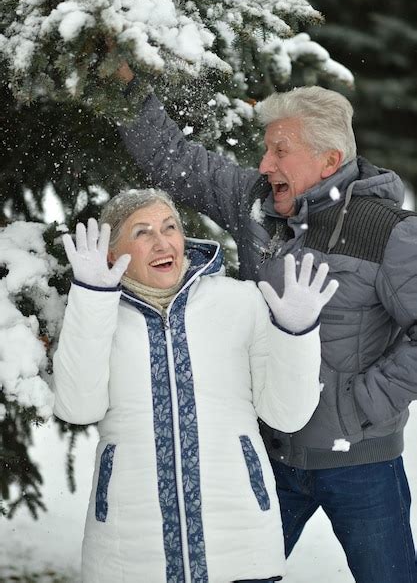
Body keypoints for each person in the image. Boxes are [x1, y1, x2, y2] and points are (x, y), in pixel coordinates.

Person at [117, 80, 417, 582]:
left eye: (281, 151)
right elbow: (172, 159)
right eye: (265, 149)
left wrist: (362, 406)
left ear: (329, 159)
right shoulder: (254, 204)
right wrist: (123, 86)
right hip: (269, 457)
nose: (264, 164)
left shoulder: (387, 230)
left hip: (361, 467)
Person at [52, 188, 337, 583]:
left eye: (170, 227)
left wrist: (296, 334)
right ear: (112, 256)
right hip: (129, 556)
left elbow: (286, 415)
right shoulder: (99, 314)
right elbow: (77, 407)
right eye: (142, 232)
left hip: (241, 547)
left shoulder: (240, 302)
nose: (161, 241)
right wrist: (91, 298)